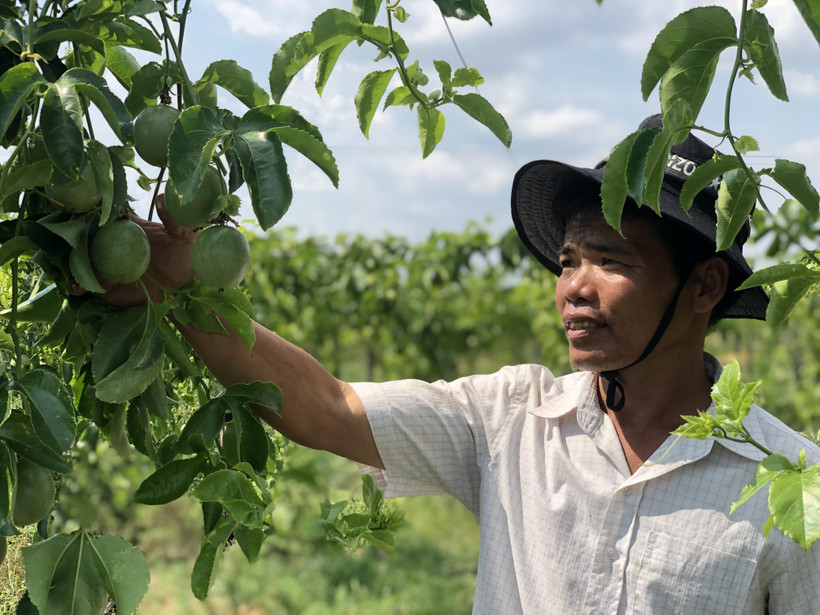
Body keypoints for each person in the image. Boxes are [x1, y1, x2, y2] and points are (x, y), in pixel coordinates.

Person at [123, 115, 819, 614]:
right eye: (571, 258)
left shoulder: (790, 487)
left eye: (612, 260)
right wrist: (182, 287)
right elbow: (326, 407)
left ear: (704, 287)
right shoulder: (512, 419)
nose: (574, 285)